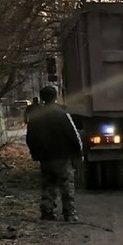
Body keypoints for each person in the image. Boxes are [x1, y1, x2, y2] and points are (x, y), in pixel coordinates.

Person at [25, 85, 83, 221]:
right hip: (62, 156)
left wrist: (35, 153)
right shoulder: (62, 114)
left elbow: (30, 138)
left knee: (48, 184)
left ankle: (47, 212)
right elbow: (73, 135)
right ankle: (69, 213)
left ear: (42, 98)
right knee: (66, 185)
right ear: (55, 96)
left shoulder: (35, 116)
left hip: (45, 157)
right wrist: (78, 154)